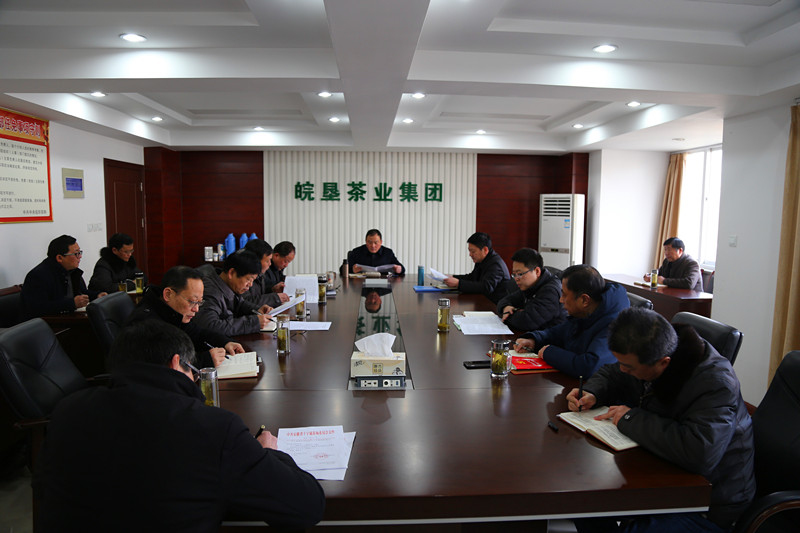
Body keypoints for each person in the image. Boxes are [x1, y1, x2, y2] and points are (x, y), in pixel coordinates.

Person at [34, 320, 325, 532]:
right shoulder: (213, 428)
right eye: (193, 370)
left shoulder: (68, 411)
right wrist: (269, 453)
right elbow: (306, 507)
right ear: (177, 363)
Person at [567, 308, 755, 533]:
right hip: (663, 471)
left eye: (629, 367)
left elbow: (700, 452)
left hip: (709, 501)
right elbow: (612, 373)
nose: (622, 369)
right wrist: (592, 392)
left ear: (663, 363)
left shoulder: (715, 383)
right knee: (582, 499)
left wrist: (629, 418)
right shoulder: (648, 349)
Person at [514, 264, 629, 378]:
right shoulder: (585, 312)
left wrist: (549, 352)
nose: (561, 300)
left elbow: (590, 366)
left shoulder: (615, 324)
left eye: (564, 294)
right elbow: (559, 332)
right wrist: (534, 340)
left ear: (584, 300)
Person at [125, 265, 244, 368]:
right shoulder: (145, 323)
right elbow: (164, 366)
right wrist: (205, 360)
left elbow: (197, 333)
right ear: (168, 294)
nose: (196, 309)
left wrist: (225, 342)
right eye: (192, 301)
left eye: (199, 302)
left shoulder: (172, 312)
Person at [20, 234, 106, 319]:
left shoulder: (72, 271)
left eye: (80, 252)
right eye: (76, 254)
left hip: (67, 318)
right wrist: (72, 304)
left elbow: (81, 293)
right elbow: (37, 308)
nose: (80, 256)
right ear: (60, 258)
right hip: (48, 323)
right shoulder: (38, 276)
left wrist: (97, 296)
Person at [195, 250, 273, 336]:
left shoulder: (226, 283)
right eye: (248, 279)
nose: (250, 285)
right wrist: (252, 323)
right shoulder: (210, 292)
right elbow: (210, 326)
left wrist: (257, 310)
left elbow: (239, 303)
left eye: (253, 280)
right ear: (231, 273)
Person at [496, 248, 566, 330]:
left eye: (520, 274)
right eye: (514, 274)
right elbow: (504, 300)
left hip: (551, 337)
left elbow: (526, 322)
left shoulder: (551, 291)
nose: (516, 279)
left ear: (537, 271)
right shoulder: (531, 285)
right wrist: (505, 307)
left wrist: (509, 313)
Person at [442, 232, 511, 303]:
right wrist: (453, 277)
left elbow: (486, 287)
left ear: (485, 250)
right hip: (483, 301)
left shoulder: (496, 265)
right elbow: (473, 277)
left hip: (494, 305)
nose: (470, 254)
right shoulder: (482, 260)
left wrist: (458, 283)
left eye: (473, 251)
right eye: (469, 251)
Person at [242, 239, 289, 307]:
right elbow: (245, 302)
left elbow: (259, 295)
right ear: (256, 261)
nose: (270, 264)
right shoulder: (243, 276)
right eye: (267, 261)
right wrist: (275, 298)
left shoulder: (260, 275)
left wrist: (273, 290)